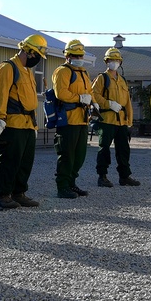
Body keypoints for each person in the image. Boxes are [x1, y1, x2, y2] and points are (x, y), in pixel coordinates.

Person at [0, 34, 46, 209]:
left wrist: (35, 124)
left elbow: (30, 100)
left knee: (26, 162)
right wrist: (0, 120)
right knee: (10, 160)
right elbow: (1, 95)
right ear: (27, 51)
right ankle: (4, 194)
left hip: (28, 123)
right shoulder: (8, 67)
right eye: (36, 55)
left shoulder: (27, 71)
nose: (36, 59)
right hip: (12, 123)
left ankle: (19, 193)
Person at [92, 47, 140, 187]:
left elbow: (128, 102)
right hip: (107, 120)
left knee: (123, 150)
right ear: (106, 61)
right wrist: (109, 103)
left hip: (121, 121)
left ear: (120, 62)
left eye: (116, 60)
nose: (114, 62)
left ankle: (124, 177)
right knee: (104, 148)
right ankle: (102, 176)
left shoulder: (123, 80)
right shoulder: (102, 78)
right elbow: (94, 94)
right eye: (111, 60)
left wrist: (129, 120)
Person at [52, 39, 93, 199]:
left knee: (80, 155)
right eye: (75, 55)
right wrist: (79, 98)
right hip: (68, 120)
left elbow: (89, 92)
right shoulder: (62, 71)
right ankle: (62, 186)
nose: (78, 58)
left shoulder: (84, 72)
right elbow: (60, 93)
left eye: (80, 55)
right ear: (67, 55)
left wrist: (92, 102)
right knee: (67, 154)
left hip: (83, 119)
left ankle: (71, 183)